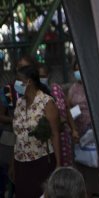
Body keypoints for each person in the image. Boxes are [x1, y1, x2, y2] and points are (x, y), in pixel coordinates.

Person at [13, 66, 61, 198]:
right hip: (21, 162)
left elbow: (55, 133)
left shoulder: (46, 102)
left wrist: (58, 163)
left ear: (29, 82)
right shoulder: (19, 103)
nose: (15, 83)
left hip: (41, 161)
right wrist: (13, 164)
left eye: (19, 80)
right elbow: (17, 136)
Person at [67, 63, 99, 197]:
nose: (78, 72)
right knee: (83, 162)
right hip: (80, 130)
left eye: (80, 69)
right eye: (75, 69)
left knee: (97, 161)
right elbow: (69, 109)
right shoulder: (73, 88)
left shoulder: (95, 85)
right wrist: (74, 129)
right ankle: (86, 192)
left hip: (95, 129)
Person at [39, 66, 77, 166]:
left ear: (48, 76)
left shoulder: (56, 89)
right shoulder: (36, 95)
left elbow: (67, 109)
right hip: (47, 141)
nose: (42, 79)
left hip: (63, 136)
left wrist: (73, 129)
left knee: (67, 168)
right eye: (39, 76)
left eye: (44, 76)